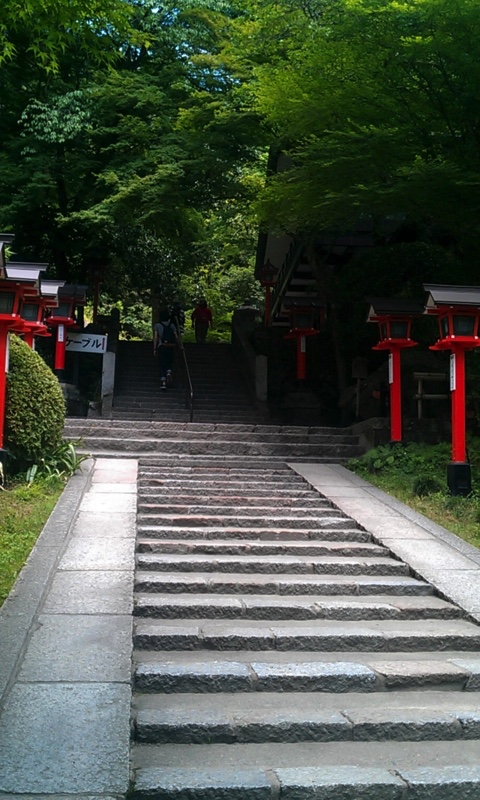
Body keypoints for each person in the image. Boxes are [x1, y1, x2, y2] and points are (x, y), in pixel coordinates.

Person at [153, 308, 178, 390]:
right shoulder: (172, 325)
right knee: (169, 361)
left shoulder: (157, 325)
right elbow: (176, 336)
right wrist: (179, 345)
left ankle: (163, 382)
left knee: (161, 364)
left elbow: (156, 338)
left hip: (162, 346)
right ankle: (169, 371)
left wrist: (154, 348)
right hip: (171, 346)